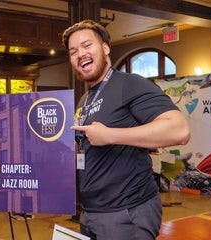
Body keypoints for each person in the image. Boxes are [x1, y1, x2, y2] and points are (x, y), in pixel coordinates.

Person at [63, 20, 190, 240]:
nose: (80, 53)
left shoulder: (130, 84)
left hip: (126, 212)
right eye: (73, 51)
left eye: (86, 45)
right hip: (92, 212)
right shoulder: (85, 99)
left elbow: (179, 130)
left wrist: (111, 135)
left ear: (105, 47)